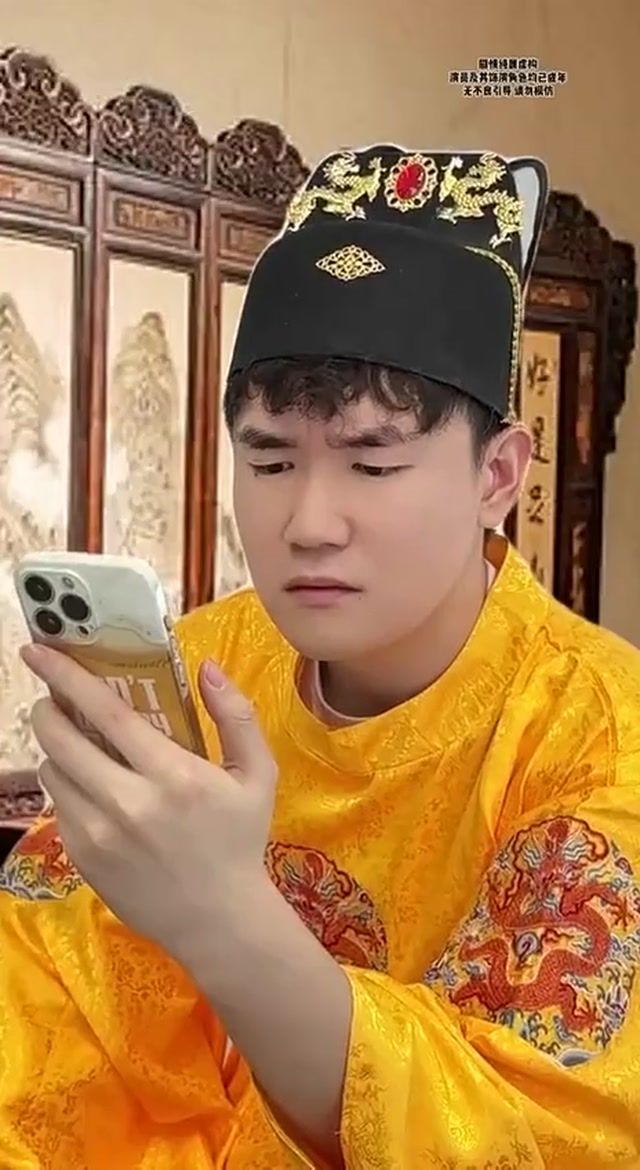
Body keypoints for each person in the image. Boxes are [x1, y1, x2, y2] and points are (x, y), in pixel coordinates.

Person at [1, 144, 639, 1170]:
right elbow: (46, 1008)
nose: (307, 523)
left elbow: (542, 1130)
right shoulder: (203, 665)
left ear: (497, 475)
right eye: (269, 459)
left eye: (372, 464)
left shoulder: (601, 738)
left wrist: (224, 915)